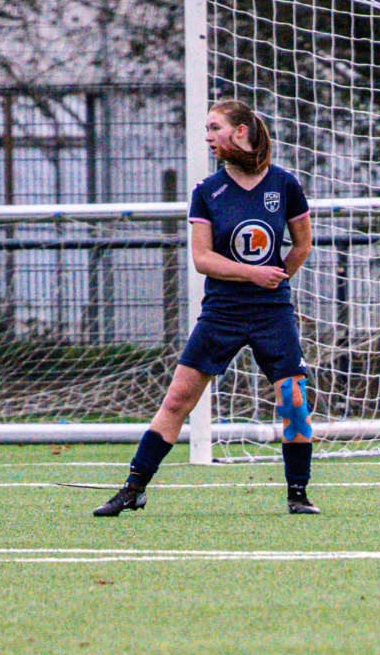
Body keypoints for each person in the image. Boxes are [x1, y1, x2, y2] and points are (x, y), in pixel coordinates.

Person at [94, 98, 320, 516]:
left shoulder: (284, 183)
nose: (208, 137)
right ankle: (133, 488)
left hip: (272, 312)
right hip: (222, 311)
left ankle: (298, 493)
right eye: (207, 129)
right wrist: (252, 274)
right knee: (178, 399)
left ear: (240, 131)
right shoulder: (207, 191)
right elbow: (202, 259)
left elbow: (303, 244)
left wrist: (277, 279)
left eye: (215, 128)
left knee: (293, 398)